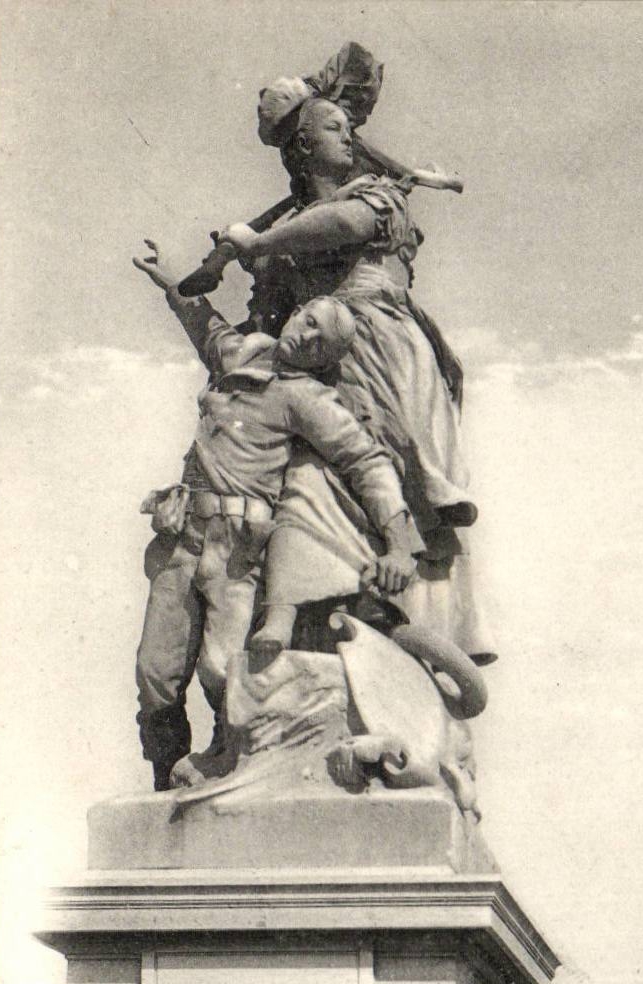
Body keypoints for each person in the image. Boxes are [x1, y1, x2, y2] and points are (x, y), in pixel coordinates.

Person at [132, 242, 423, 788]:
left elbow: (366, 461)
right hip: (181, 537)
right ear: (295, 313)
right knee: (155, 676)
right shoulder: (240, 354)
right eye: (307, 320)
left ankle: (226, 766)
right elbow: (203, 321)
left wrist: (399, 541)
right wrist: (167, 277)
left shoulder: (306, 398)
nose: (305, 335)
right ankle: (161, 789)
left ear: (325, 358)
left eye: (320, 339)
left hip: (236, 552)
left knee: (225, 672)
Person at [219, 95, 492, 666]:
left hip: (388, 347)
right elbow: (262, 324)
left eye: (349, 127)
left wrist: (262, 242)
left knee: (402, 465)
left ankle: (418, 618)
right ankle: (327, 611)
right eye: (334, 127)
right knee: (320, 474)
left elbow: (348, 224)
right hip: (319, 367)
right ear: (302, 145)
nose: (350, 137)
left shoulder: (376, 194)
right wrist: (252, 268)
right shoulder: (291, 237)